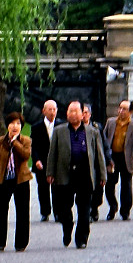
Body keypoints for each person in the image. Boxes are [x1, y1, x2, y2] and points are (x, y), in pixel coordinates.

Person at [44, 100, 105, 248]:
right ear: (66, 114)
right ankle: (67, 227)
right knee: (64, 208)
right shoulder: (59, 131)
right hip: (65, 173)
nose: (73, 114)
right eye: (70, 111)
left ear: (82, 114)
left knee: (84, 208)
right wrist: (50, 172)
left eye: (76, 111)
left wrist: (103, 175)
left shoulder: (92, 131)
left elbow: (99, 154)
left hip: (84, 173)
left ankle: (82, 238)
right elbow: (52, 154)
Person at [0, 112, 32, 252]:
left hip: (21, 180)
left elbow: (26, 155)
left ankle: (21, 243)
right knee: (1, 212)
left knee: (22, 212)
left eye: (18, 124)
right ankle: (0, 242)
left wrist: (15, 142)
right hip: (4, 180)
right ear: (7, 126)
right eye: (12, 123)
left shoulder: (26, 140)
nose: (15, 126)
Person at [105, 100, 133, 218]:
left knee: (126, 185)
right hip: (112, 158)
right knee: (109, 184)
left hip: (126, 158)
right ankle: (113, 206)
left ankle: (125, 210)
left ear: (130, 112)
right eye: (120, 108)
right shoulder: (111, 122)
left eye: (124, 109)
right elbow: (104, 139)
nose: (121, 111)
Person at [31, 99, 58, 223]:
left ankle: (58, 212)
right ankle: (45, 212)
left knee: (57, 189)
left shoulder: (61, 126)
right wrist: (36, 160)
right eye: (50, 109)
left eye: (54, 109)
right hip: (42, 162)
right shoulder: (36, 127)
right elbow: (33, 146)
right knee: (43, 188)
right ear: (43, 111)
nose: (52, 112)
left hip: (57, 163)